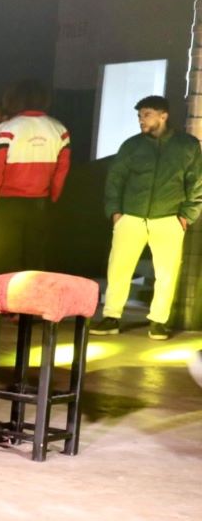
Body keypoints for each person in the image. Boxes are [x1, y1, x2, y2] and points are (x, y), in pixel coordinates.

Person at [91, 94, 202, 339]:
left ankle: (158, 321)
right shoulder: (132, 145)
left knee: (166, 273)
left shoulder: (187, 146)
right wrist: (116, 212)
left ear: (163, 116)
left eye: (147, 114)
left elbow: (196, 182)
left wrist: (185, 216)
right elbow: (115, 179)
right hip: (131, 216)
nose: (141, 119)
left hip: (169, 217)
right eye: (140, 115)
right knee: (119, 268)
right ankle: (111, 316)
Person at [0, 82, 69, 277]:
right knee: (35, 258)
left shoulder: (7, 128)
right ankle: (31, 297)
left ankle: (5, 296)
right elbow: (61, 172)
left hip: (7, 203)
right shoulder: (59, 129)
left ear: (12, 100)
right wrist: (52, 199)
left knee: (5, 259)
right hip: (40, 203)